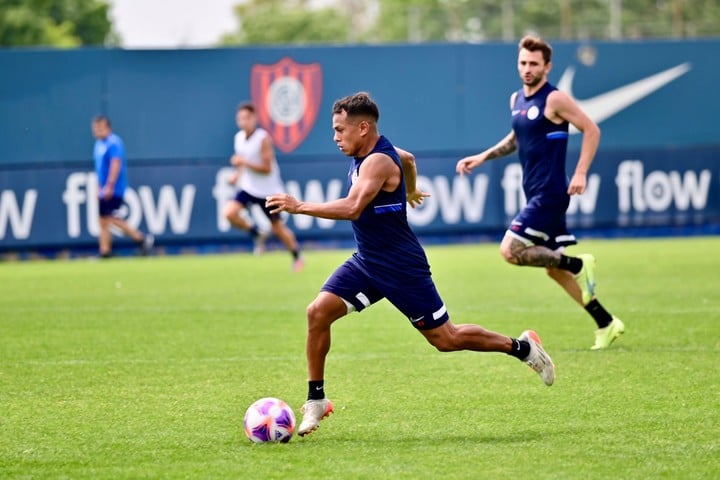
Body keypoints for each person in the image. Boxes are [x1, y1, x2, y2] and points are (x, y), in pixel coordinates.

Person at [266, 92, 555, 438]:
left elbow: (353, 207)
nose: (335, 137)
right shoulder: (375, 152)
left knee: (446, 339)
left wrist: (298, 206)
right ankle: (316, 399)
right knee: (318, 312)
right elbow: (410, 159)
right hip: (368, 261)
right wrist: (410, 191)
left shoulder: (376, 162)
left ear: (363, 127)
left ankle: (523, 347)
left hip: (402, 267)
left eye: (340, 130)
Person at [456, 35, 625, 350]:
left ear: (547, 66)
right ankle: (606, 322)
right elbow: (514, 139)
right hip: (533, 192)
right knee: (552, 269)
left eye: (534, 63)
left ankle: (578, 264)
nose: (527, 68)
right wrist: (482, 157)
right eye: (523, 62)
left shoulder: (555, 99)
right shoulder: (516, 99)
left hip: (550, 193)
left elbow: (592, 129)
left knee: (510, 251)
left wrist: (581, 172)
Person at [223, 102, 303, 271]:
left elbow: (266, 169)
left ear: (254, 119)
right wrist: (236, 175)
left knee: (278, 229)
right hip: (248, 188)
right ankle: (256, 233)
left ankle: (297, 256)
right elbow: (243, 162)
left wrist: (242, 162)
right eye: (240, 118)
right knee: (229, 213)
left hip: (269, 192)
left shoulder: (263, 139)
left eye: (246, 118)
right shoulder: (238, 138)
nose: (243, 121)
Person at [91, 115, 153, 258]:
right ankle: (105, 251)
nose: (97, 131)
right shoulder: (98, 145)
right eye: (95, 128)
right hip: (104, 188)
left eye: (100, 128)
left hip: (114, 188)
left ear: (108, 128)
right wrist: (99, 187)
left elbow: (115, 164)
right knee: (103, 220)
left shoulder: (114, 143)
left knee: (111, 218)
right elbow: (100, 169)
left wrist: (110, 185)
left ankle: (141, 239)